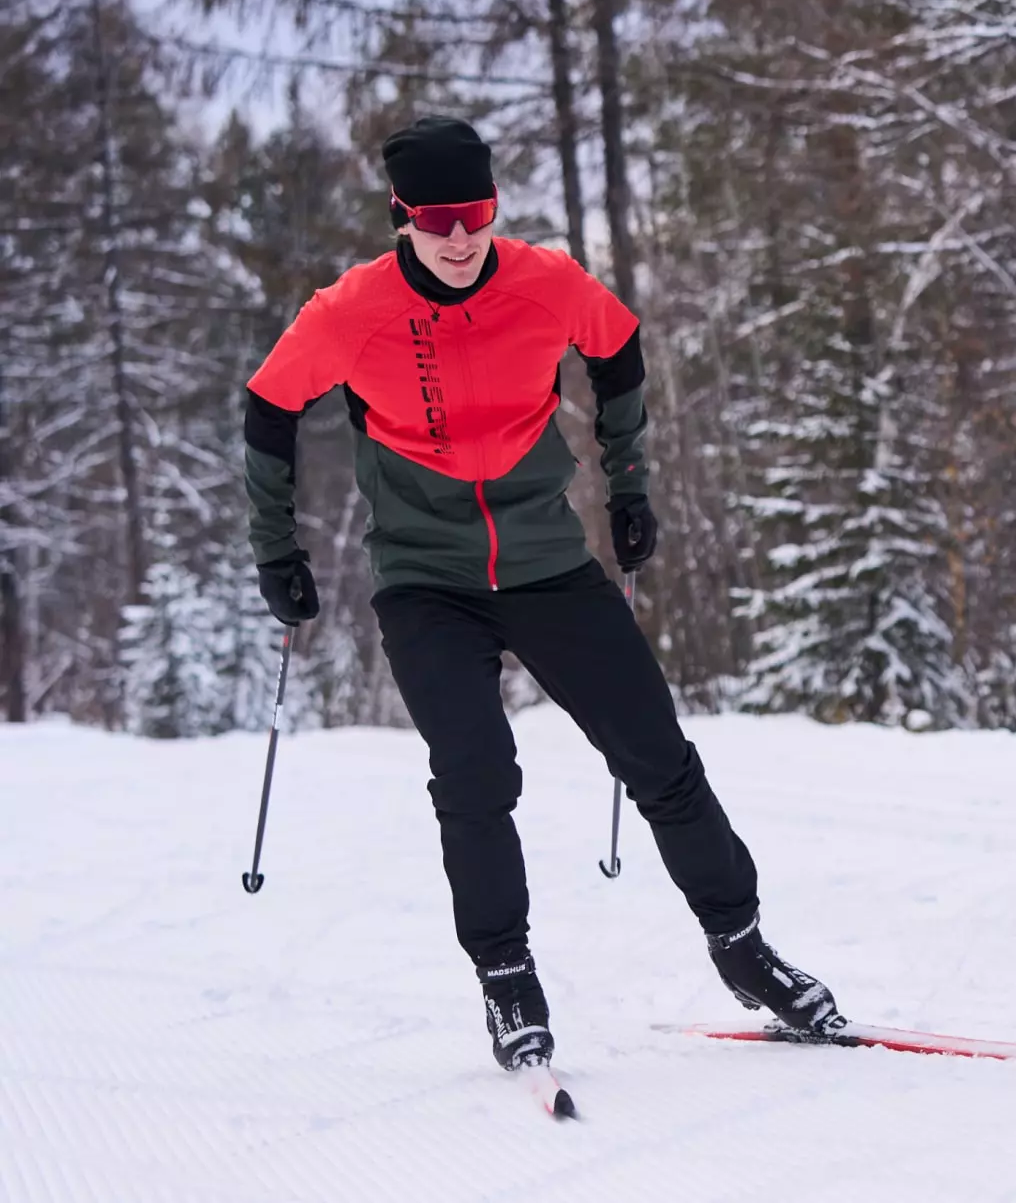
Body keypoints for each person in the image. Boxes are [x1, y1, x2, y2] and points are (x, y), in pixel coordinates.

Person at [244, 116, 842, 1072]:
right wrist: (276, 549)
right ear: (402, 217)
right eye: (435, 218)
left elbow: (620, 353)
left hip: (548, 565)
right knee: (475, 775)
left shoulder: (546, 281)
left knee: (660, 760)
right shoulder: (350, 311)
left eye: (474, 211)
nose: (458, 235)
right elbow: (270, 406)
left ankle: (743, 948)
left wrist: (630, 483)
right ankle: (506, 978)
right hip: (425, 580)